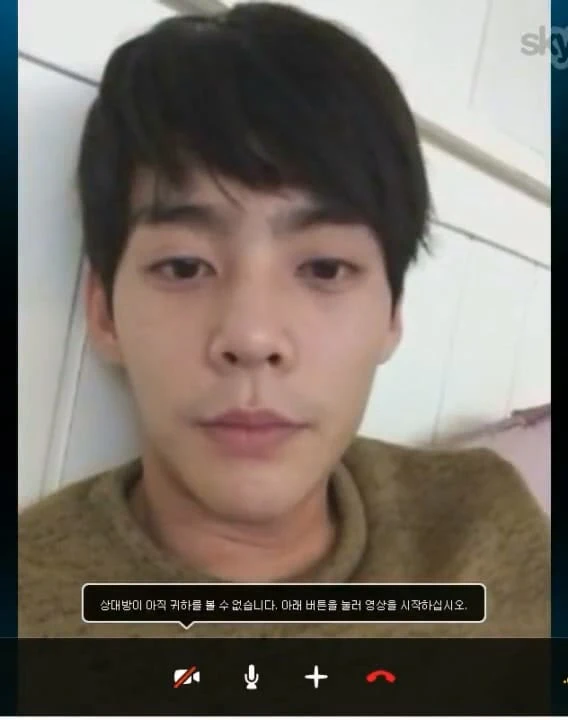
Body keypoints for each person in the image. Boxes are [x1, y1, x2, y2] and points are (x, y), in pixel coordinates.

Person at [19, 2, 549, 638]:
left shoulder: (483, 523)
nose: (252, 338)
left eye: (324, 268)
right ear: (105, 311)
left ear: (391, 313)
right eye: (184, 267)